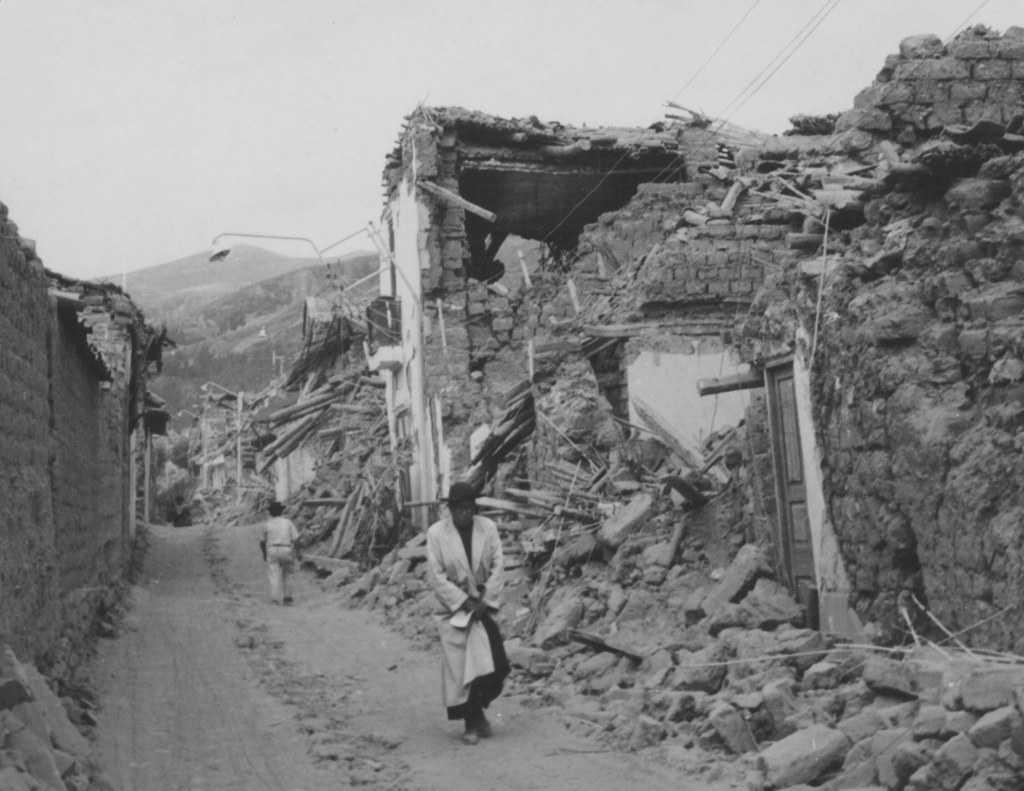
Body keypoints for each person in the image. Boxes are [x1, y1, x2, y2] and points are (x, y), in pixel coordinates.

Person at [426, 481, 511, 745]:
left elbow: (498, 564)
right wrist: (464, 601)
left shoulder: (488, 528)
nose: (465, 512)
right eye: (459, 508)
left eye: (469, 507)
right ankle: (471, 722)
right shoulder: (436, 534)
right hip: (454, 611)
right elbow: (437, 576)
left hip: (483, 605)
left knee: (495, 663)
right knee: (463, 669)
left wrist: (485, 597)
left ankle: (480, 712)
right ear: (450, 509)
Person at [261, 500, 300, 605]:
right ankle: (287, 598)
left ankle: (275, 599)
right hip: (286, 549)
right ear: (281, 511)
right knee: (288, 574)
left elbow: (262, 541)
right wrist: (296, 551)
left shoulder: (267, 525)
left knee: (274, 575)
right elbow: (296, 539)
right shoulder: (288, 523)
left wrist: (265, 554)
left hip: (272, 550)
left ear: (270, 513)